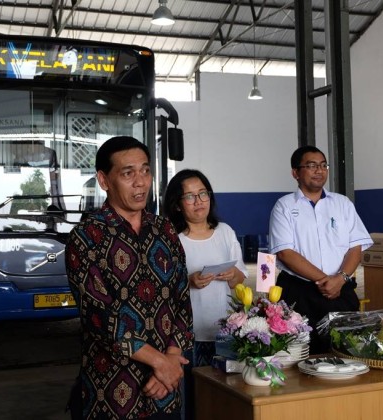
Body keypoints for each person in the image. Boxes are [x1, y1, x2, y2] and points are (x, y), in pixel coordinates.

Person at [65, 136, 193, 420]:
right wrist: (161, 362)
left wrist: (171, 359)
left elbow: (181, 299)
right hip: (112, 393)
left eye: (146, 171)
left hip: (165, 391)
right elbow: (101, 318)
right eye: (128, 173)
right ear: (103, 179)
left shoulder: (165, 230)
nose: (140, 182)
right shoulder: (86, 237)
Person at [268, 145, 373, 354]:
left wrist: (340, 279)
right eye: (312, 165)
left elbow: (356, 247)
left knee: (346, 351)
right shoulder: (284, 206)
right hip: (300, 293)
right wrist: (327, 281)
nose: (320, 170)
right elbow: (285, 253)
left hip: (340, 290)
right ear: (295, 173)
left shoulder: (342, 204)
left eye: (323, 165)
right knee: (301, 353)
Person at [163, 169, 247, 420]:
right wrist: (188, 282)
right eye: (189, 196)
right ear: (177, 204)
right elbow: (161, 288)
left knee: (223, 399)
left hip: (224, 335)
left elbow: (240, 278)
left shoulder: (225, 232)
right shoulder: (171, 238)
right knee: (190, 400)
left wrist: (232, 273)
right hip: (185, 338)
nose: (199, 201)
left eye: (203, 193)